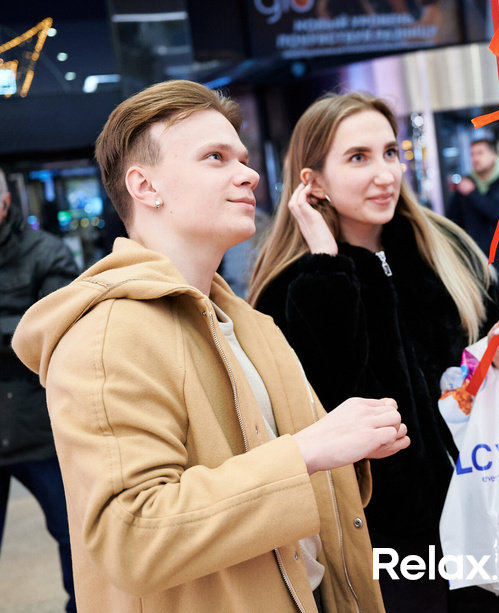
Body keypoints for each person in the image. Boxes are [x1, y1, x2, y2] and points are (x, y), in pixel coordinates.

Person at [11, 80, 409, 613]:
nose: (248, 174)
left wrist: (346, 449)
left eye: (242, 158)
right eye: (215, 158)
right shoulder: (107, 336)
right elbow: (134, 535)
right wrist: (309, 451)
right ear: (145, 186)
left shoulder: (246, 323)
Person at [248, 92, 499, 613]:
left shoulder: (444, 248)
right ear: (313, 182)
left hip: (479, 502)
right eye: (359, 158)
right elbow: (325, 404)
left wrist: (498, 352)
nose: (385, 174)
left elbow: (478, 357)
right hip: (381, 538)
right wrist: (327, 267)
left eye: (391, 152)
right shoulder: (290, 288)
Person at [0, 167, 80, 613]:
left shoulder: (46, 253)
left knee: (74, 536)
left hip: (38, 425)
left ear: (5, 203)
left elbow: (52, 332)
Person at [446, 135, 499, 308]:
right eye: (472, 154)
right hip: (477, 263)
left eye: (480, 153)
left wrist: (473, 193)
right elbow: (453, 219)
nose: (475, 159)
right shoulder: (466, 183)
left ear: (493, 155)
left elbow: (496, 212)